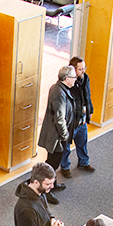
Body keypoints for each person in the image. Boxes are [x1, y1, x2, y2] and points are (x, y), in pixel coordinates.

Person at [37, 65, 76, 205]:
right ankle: (45, 190)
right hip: (56, 137)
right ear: (67, 79)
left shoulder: (60, 88)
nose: (75, 79)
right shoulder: (59, 93)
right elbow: (59, 118)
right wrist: (65, 135)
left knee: (53, 162)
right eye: (73, 77)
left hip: (57, 135)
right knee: (52, 164)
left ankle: (51, 185)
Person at [61, 56, 95, 176]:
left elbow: (88, 95)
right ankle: (65, 167)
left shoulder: (85, 78)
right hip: (72, 121)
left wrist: (90, 110)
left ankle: (83, 162)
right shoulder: (67, 82)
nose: (83, 71)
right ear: (73, 69)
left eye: (84, 68)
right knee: (66, 146)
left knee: (82, 142)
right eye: (80, 69)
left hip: (82, 118)